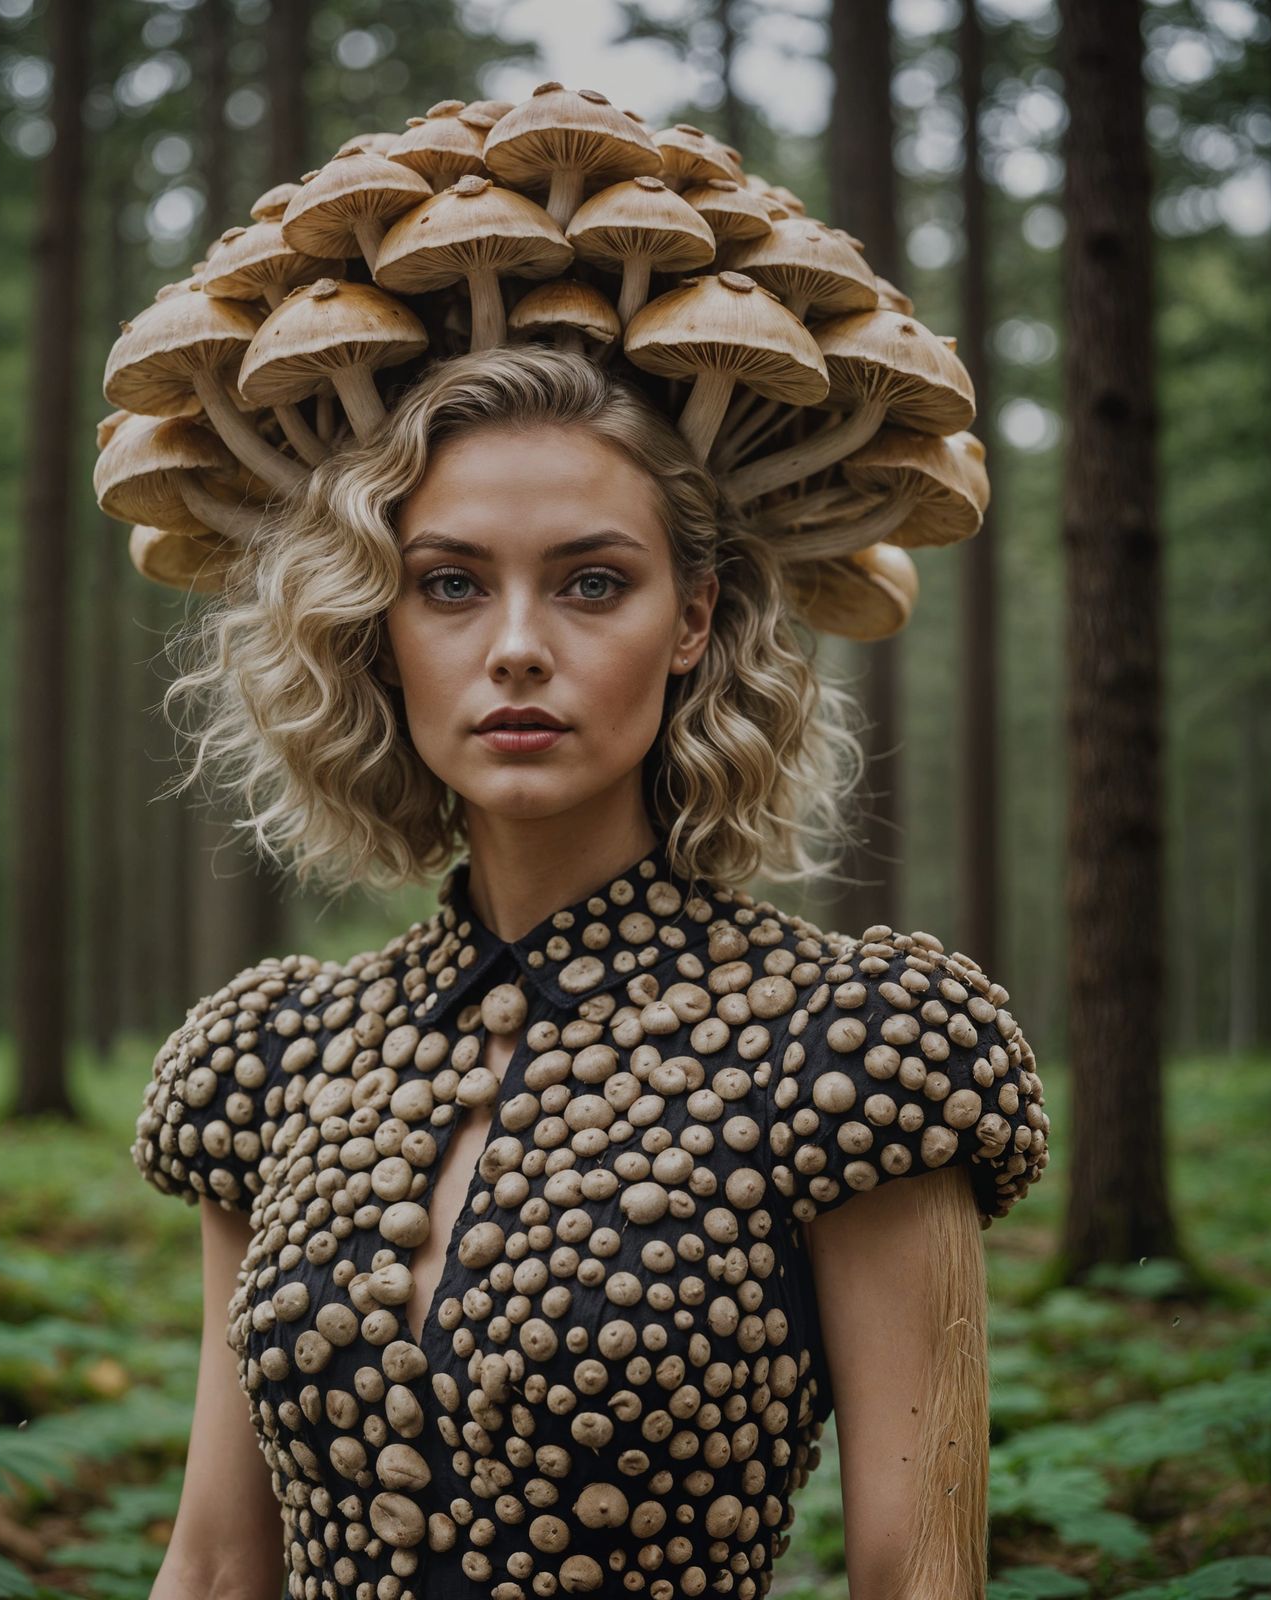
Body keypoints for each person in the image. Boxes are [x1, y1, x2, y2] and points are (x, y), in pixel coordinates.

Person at [130, 344, 1050, 1600]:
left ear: (692, 619)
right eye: (449, 584)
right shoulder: (280, 1052)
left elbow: (920, 1576)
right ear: (380, 627)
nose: (516, 646)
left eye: (593, 583)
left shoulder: (849, 1047)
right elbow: (215, 1564)